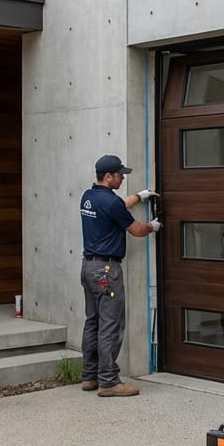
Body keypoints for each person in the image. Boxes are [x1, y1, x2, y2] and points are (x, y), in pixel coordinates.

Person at [79, 154, 160, 397]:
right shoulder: (111, 203)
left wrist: (139, 196)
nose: (122, 178)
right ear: (108, 176)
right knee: (110, 325)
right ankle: (109, 382)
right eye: (120, 175)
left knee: (92, 322)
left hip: (88, 268)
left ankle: (89, 376)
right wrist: (151, 226)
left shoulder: (88, 197)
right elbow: (135, 230)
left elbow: (115, 207)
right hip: (107, 271)